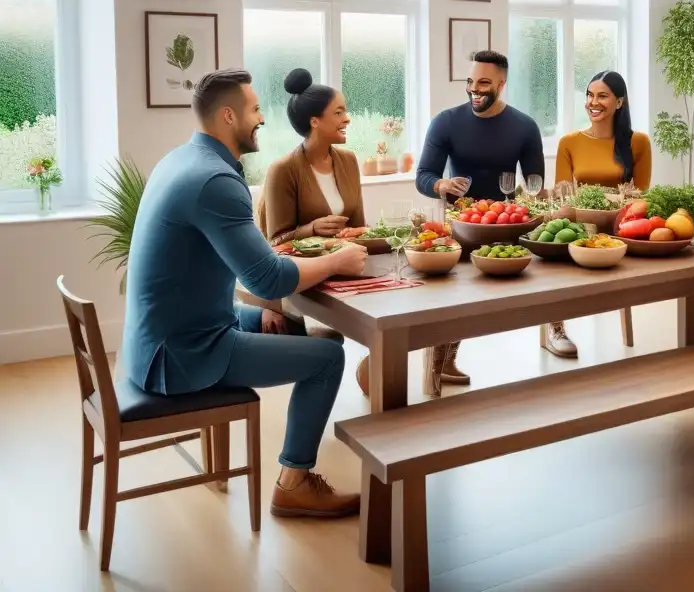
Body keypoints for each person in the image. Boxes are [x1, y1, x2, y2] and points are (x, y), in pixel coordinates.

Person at [122, 68, 369, 518]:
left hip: (159, 340)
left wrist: (244, 313)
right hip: (184, 355)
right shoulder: (215, 182)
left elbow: (198, 273)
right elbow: (268, 279)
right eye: (255, 110)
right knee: (329, 358)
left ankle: (290, 468)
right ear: (229, 116)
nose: (262, 119)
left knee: (299, 328)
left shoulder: (180, 160)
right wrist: (337, 261)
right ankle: (293, 483)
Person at [415, 50, 545, 390]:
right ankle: (439, 362)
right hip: (461, 225)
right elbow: (424, 175)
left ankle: (554, 328)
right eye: (470, 81)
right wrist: (441, 184)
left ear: (501, 84)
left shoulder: (525, 127)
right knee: (452, 297)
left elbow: (535, 184)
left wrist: (531, 198)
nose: (474, 88)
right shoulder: (445, 121)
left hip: (507, 225)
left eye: (484, 82)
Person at [256, 68, 374, 397]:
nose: (347, 118)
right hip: (306, 281)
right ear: (314, 121)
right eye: (339, 112)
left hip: (346, 271)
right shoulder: (283, 170)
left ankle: (376, 369)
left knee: (396, 306)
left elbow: (359, 227)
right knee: (327, 336)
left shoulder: (348, 161)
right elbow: (275, 242)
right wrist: (312, 228)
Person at [546, 70, 651, 357]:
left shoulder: (638, 142)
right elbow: (563, 198)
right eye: (590, 95)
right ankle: (555, 327)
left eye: (602, 96)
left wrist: (607, 208)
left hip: (620, 230)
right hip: (579, 229)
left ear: (619, 102)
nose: (594, 102)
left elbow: (640, 198)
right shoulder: (570, 142)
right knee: (554, 243)